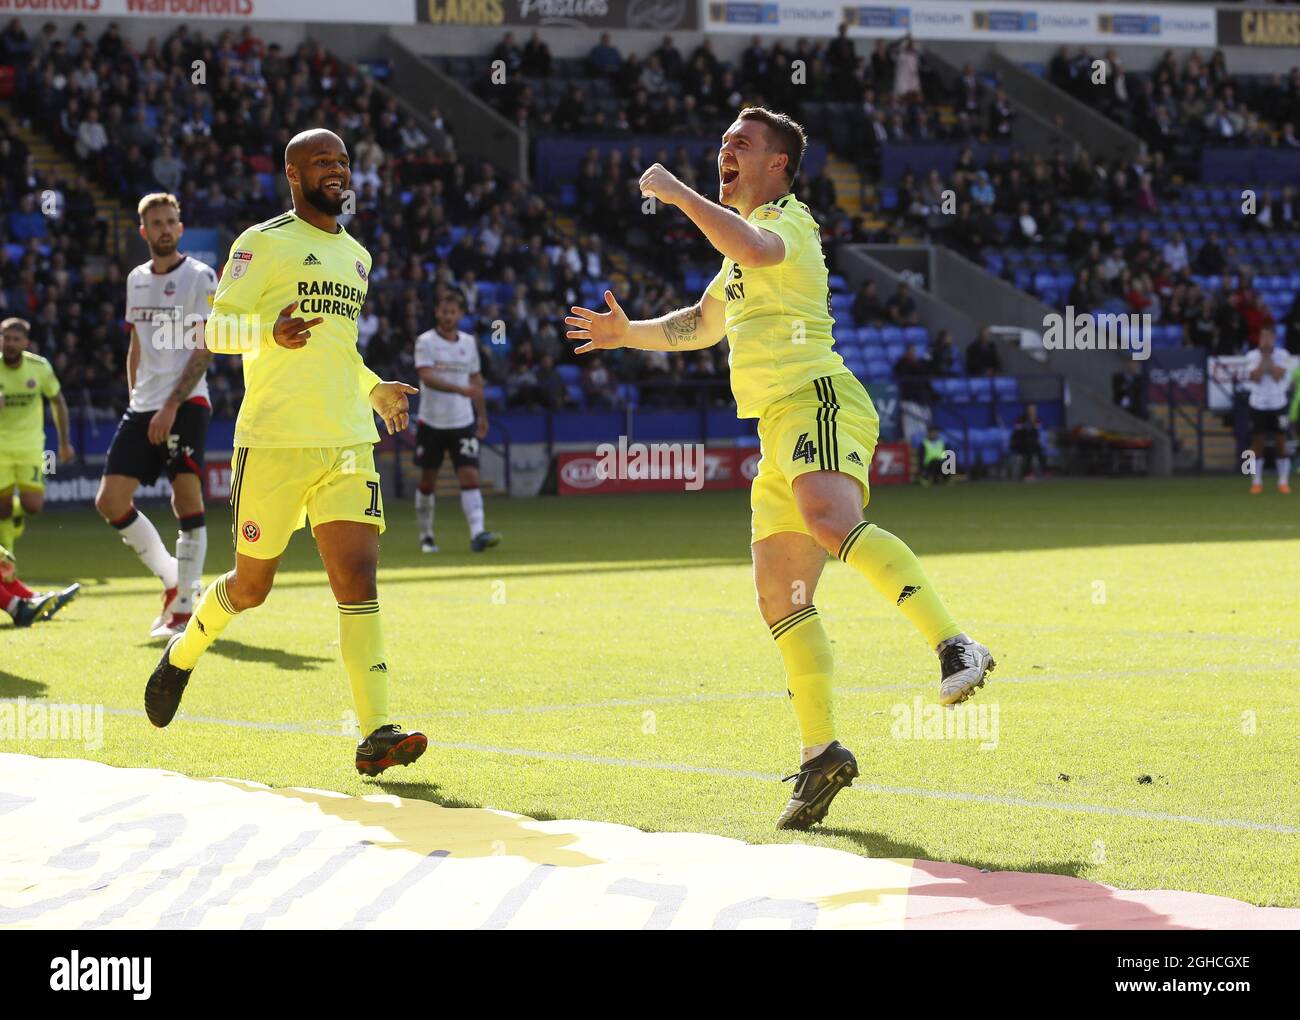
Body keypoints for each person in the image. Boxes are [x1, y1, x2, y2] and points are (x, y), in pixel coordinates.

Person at [564, 107, 994, 832]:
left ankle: (955, 641)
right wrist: (623, 334)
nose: (725, 150)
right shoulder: (737, 251)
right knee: (779, 595)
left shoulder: (789, 222)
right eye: (723, 142)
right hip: (778, 427)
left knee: (831, 520)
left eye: (742, 144)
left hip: (816, 398)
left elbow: (760, 251)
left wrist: (677, 195)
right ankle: (822, 752)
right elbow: (702, 323)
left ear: (778, 167)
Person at [144, 129, 427, 777]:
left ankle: (377, 730)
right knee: (251, 587)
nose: (338, 170)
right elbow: (215, 328)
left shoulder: (357, 255)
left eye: (344, 161)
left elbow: (340, 349)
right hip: (273, 443)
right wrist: (265, 331)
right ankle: (183, 654)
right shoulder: (261, 242)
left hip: (347, 442)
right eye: (323, 161)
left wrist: (373, 387)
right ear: (293, 174)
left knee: (358, 580)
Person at [94, 193, 216, 638]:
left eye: (170, 222)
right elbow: (137, 343)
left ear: (180, 228)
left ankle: (185, 608)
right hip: (143, 406)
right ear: (144, 232)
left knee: (185, 497)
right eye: (155, 223)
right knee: (110, 501)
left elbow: (205, 347)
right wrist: (137, 400)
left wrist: (169, 405)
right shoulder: (136, 279)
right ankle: (172, 579)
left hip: (187, 404)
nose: (164, 229)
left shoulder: (201, 276)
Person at [412, 291, 500, 554]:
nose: (448, 316)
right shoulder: (425, 342)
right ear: (437, 313)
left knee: (469, 475)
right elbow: (426, 377)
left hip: (463, 421)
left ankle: (477, 534)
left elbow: (476, 382)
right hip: (432, 422)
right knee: (428, 480)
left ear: (460, 314)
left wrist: (482, 416)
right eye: (444, 311)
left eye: (453, 312)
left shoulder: (469, 343)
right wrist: (459, 390)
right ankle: (427, 536)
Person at [0, 317, 74, 555]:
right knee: (1, 509)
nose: (9, 343)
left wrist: (64, 443)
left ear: (25, 342)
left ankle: (17, 519)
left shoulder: (40, 368)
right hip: (0, 448)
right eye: (5, 338)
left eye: (15, 339)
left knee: (33, 506)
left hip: (31, 447)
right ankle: (8, 562)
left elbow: (58, 402)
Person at [1243, 326, 1294, 495]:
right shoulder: (1251, 356)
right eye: (1263, 337)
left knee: (1281, 442)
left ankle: (1283, 482)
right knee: (1256, 444)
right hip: (1257, 404)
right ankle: (1255, 481)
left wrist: (1268, 358)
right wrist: (1263, 358)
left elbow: (1277, 375)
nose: (1265, 341)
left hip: (1278, 403)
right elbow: (1255, 377)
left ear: (1274, 339)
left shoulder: (1283, 355)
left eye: (1268, 338)